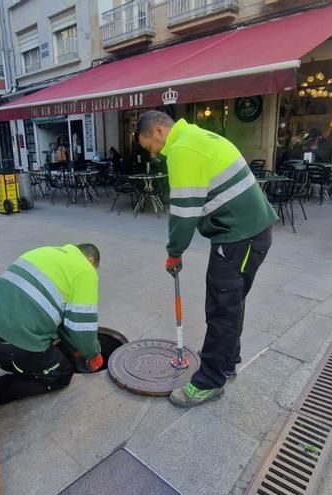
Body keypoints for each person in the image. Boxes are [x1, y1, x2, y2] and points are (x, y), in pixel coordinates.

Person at [135, 110, 278, 408]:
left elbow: (184, 211)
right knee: (231, 304)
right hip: (251, 233)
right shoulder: (197, 136)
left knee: (221, 309)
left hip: (239, 237)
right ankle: (227, 363)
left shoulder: (181, 149)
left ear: (159, 131)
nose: (155, 154)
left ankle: (210, 381)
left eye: (151, 146)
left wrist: (174, 253)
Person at [0, 243, 103, 405]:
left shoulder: (46, 251)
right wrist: (92, 354)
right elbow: (81, 329)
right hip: (5, 341)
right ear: (90, 259)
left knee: (46, 344)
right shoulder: (85, 270)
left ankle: (26, 364)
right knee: (62, 374)